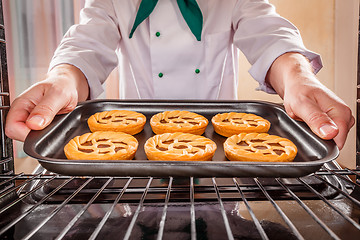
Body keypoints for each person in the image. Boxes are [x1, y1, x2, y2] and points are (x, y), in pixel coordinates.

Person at [5, 0, 355, 150]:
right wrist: (62, 80)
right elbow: (86, 44)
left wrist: (298, 78)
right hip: (141, 148)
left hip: (221, 149)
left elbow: (269, 34)